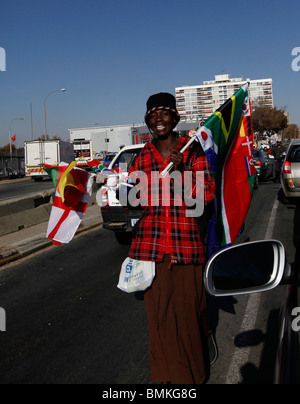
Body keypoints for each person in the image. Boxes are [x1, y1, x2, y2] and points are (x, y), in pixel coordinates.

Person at [127, 92, 215, 384]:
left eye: (163, 114)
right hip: (151, 249)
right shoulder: (142, 157)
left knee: (190, 313)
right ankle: (165, 380)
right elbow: (132, 202)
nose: (158, 120)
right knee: (160, 319)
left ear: (174, 118)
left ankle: (194, 376)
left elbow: (203, 198)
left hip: (185, 247)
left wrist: (181, 172)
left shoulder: (192, 152)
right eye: (152, 116)